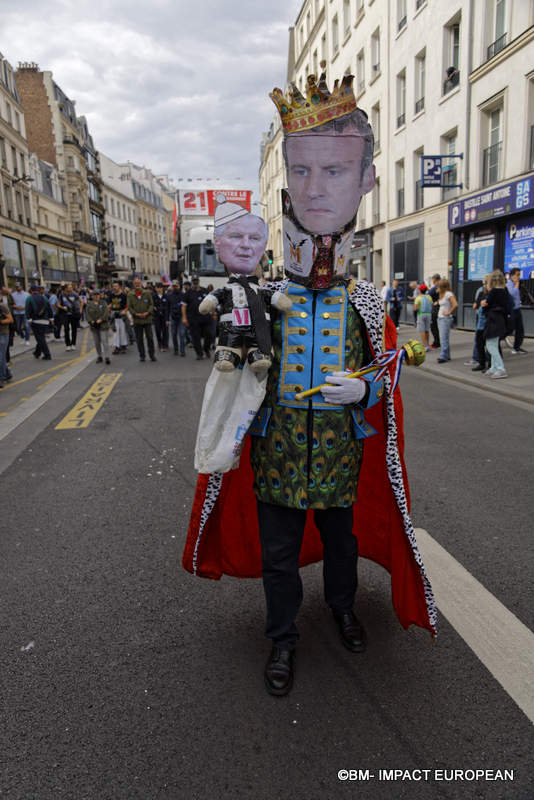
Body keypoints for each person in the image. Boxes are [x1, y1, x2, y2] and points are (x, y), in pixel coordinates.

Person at [183, 64, 436, 696]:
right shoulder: (262, 296)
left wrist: (368, 390)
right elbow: (232, 376)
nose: (317, 188)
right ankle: (283, 638)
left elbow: (388, 373)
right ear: (288, 185)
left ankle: (345, 608)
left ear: (364, 180)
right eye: (302, 170)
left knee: (343, 545)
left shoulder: (368, 300)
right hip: (278, 453)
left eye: (335, 169)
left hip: (341, 454)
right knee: (278, 558)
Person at [481, 270, 508, 379]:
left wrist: (483, 305)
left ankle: (501, 368)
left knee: (490, 345)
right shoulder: (504, 291)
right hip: (500, 319)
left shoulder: (493, 292)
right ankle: (493, 368)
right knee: (494, 344)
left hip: (493, 319)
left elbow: (488, 305)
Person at [182, 277, 212, 360]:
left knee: (209, 334)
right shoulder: (188, 293)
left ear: (199, 281)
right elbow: (183, 306)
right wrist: (184, 318)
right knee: (196, 337)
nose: (195, 282)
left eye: (196, 281)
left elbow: (211, 302)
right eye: (193, 281)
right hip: (193, 319)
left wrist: (213, 313)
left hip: (206, 318)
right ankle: (199, 353)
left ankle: (206, 349)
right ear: (192, 282)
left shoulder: (205, 291)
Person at [127, 277, 156, 362]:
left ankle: (152, 355)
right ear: (133, 284)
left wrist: (147, 312)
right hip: (137, 320)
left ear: (141, 283)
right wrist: (136, 314)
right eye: (135, 283)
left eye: (138, 283)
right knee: (139, 339)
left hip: (147, 319)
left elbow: (151, 304)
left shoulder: (147, 293)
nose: (137, 284)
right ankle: (142, 355)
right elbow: (129, 307)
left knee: (150, 338)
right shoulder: (130, 294)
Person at [86, 288, 111, 364]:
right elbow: (87, 314)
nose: (96, 296)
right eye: (94, 295)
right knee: (97, 342)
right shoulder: (89, 304)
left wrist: (101, 319)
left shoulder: (103, 303)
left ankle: (107, 356)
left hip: (103, 325)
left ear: (100, 295)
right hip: (94, 326)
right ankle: (99, 356)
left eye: (97, 295)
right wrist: (91, 321)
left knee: (104, 341)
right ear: (92, 296)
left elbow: (106, 313)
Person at [436, 278, 458, 363]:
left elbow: (455, 304)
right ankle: (447, 355)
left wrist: (449, 312)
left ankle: (443, 356)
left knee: (443, 338)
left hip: (445, 319)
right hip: (440, 317)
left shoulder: (448, 294)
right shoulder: (442, 294)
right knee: (444, 337)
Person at [506, 268, 527, 355]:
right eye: (517, 275)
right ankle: (497, 339)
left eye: (519, 275)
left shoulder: (516, 284)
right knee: (510, 329)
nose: (519, 277)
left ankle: (516, 347)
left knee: (520, 329)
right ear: (512, 275)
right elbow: (512, 294)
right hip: (512, 310)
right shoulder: (509, 284)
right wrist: (517, 284)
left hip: (517, 308)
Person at [471, 275, 490, 372]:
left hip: (488, 322)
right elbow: (475, 305)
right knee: (480, 343)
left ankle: (489, 365)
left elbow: (475, 306)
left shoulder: (491, 294)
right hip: (481, 322)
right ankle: (482, 363)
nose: (485, 286)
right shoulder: (482, 293)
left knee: (490, 345)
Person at [57, 283, 81, 351]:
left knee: (74, 329)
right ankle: (68, 345)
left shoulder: (74, 294)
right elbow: (58, 304)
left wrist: (80, 311)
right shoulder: (61, 295)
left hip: (73, 314)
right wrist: (63, 307)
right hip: (65, 315)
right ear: (65, 288)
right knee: (66, 329)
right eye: (69, 287)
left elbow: (81, 302)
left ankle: (73, 344)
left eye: (71, 287)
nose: (71, 289)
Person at [108, 282, 129, 354]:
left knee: (122, 331)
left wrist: (125, 311)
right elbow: (110, 304)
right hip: (114, 315)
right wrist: (109, 309)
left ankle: (123, 346)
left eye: (116, 286)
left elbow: (128, 305)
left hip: (122, 315)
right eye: (113, 286)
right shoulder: (111, 295)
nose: (114, 287)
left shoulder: (124, 295)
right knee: (115, 332)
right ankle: (117, 347)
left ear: (119, 287)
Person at [167, 281, 186, 356]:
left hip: (181, 316)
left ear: (179, 286)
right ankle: (176, 349)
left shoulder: (183, 295)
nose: (175, 287)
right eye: (173, 286)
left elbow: (185, 306)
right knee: (174, 334)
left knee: (182, 334)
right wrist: (167, 319)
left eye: (176, 286)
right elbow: (167, 308)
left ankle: (182, 350)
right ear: (172, 286)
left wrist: (185, 317)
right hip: (172, 316)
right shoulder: (169, 295)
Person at [0, 296, 14, 389]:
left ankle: (1, 378)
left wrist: (1, 321)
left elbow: (10, 319)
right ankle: (7, 373)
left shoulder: (2, 307)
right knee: (1, 358)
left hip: (3, 334)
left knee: (1, 357)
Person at [413, 284, 432, 350]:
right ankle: (428, 345)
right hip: (429, 314)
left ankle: (425, 345)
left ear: (419, 290)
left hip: (421, 315)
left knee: (422, 330)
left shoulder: (418, 298)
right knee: (427, 330)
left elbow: (415, 308)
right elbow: (431, 305)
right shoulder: (429, 297)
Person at [152, 283, 170, 352]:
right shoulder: (153, 296)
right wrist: (153, 308)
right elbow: (151, 305)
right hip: (156, 316)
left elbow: (168, 307)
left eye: (160, 287)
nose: (159, 289)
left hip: (164, 316)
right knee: (158, 330)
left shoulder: (166, 296)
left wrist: (168, 319)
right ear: (155, 288)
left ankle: (164, 344)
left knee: (165, 331)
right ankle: (159, 342)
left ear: (162, 288)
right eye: (157, 287)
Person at [427, 274, 441, 349]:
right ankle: (440, 341)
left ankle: (437, 342)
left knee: (433, 326)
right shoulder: (443, 286)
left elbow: (428, 295)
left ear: (434, 279)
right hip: (442, 309)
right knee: (439, 326)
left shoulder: (434, 288)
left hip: (435, 309)